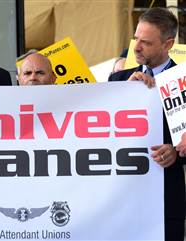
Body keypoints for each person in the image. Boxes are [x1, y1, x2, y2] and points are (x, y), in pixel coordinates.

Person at [108, 7, 185, 241]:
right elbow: (96, 132)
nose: (137, 48)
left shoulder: (183, 81)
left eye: (147, 42)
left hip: (166, 196)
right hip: (119, 197)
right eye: (136, 39)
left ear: (168, 44)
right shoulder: (118, 79)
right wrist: (126, 94)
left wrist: (176, 153)